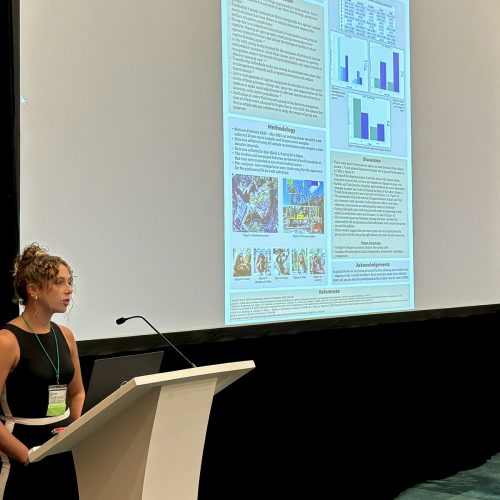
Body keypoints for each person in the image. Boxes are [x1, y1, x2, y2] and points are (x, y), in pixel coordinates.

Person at [0, 243, 84, 499]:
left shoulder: (66, 336)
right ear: (33, 289)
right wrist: (23, 454)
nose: (69, 289)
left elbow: (77, 393)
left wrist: (76, 430)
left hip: (63, 448)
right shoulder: (7, 340)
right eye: (59, 282)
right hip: (23, 453)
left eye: (69, 281)